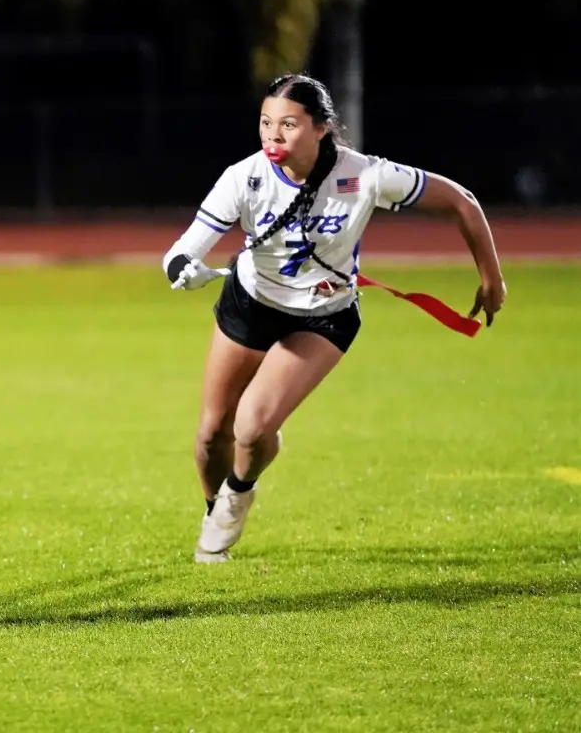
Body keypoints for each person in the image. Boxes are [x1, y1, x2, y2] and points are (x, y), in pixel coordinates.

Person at [163, 74, 506, 563]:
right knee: (212, 434)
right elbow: (184, 247)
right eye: (265, 123)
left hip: (322, 316)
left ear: (322, 127)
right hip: (251, 303)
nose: (272, 136)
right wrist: (184, 269)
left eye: (288, 124)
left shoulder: (363, 175)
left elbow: (461, 202)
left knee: (254, 429)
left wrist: (492, 278)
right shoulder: (245, 176)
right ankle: (213, 506)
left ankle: (237, 496)